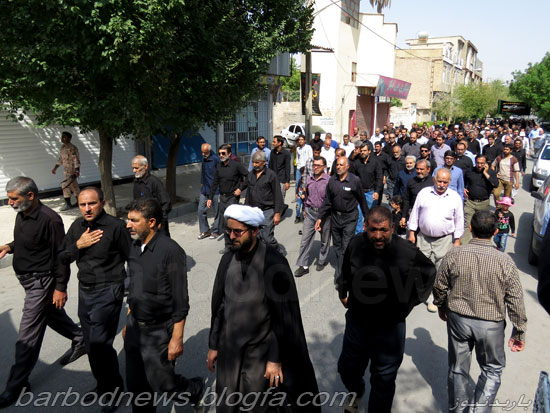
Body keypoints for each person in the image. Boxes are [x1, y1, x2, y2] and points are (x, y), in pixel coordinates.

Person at [208, 204, 320, 412]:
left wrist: (275, 359)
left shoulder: (273, 262)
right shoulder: (227, 259)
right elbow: (220, 306)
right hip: (229, 352)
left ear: (254, 231)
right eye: (229, 231)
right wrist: (214, 345)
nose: (231, 236)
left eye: (237, 232)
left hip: (258, 356)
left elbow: (283, 319)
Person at [337, 206, 436, 413]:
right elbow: (345, 269)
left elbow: (428, 273)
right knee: (347, 369)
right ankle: (357, 391)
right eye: (373, 229)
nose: (378, 235)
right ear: (365, 226)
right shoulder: (356, 244)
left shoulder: (406, 251)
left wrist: (407, 304)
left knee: (383, 379)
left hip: (390, 329)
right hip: (358, 322)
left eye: (383, 230)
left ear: (392, 228)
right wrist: (343, 292)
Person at [0, 177, 85, 409]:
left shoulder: (51, 219)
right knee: (50, 315)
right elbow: (28, 241)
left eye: (13, 198)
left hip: (42, 282)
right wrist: (9, 246)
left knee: (26, 337)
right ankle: (81, 339)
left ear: (30, 195)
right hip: (28, 281)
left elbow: (61, 255)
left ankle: (16, 385)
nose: (10, 202)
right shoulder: (22, 212)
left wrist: (60, 287)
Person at [433, 210, 527, 413]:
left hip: (458, 319)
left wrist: (441, 306)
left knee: (458, 368)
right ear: (495, 232)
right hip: (491, 325)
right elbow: (515, 299)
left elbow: (439, 286)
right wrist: (519, 331)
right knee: (492, 370)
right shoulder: (505, 262)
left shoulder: (454, 254)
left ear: (471, 228)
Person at [124, 199, 204, 412]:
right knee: (136, 386)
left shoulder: (171, 251)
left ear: (151, 222)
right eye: (128, 219)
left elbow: (180, 299)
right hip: (134, 326)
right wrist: (129, 318)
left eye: (134, 220)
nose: (128, 225)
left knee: (164, 385)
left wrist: (177, 338)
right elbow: (134, 286)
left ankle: (194, 389)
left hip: (158, 330)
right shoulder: (134, 246)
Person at [59, 187, 131, 406]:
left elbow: (134, 260)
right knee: (90, 345)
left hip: (109, 290)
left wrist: (133, 297)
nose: (87, 209)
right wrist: (78, 245)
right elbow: (62, 256)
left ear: (102, 203)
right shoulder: (77, 227)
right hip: (85, 290)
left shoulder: (116, 227)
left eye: (92, 203)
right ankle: (103, 385)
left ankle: (115, 390)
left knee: (101, 344)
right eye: (82, 204)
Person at [407, 168, 464, 313]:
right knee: (421, 266)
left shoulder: (455, 197)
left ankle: (434, 297)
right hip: (423, 238)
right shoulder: (424, 193)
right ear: (434, 179)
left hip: (444, 240)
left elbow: (459, 219)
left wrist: (457, 239)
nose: (442, 185)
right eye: (439, 181)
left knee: (440, 269)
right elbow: (415, 212)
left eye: (445, 182)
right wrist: (412, 232)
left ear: (449, 182)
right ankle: (420, 292)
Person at [315, 157, 368, 284]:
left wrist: (367, 218)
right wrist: (319, 217)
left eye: (341, 165)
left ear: (347, 167)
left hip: (350, 218)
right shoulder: (332, 180)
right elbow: (327, 201)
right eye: (337, 164)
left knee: (345, 246)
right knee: (337, 246)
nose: (338, 167)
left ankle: (341, 276)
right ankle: (344, 265)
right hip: (335, 218)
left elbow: (362, 200)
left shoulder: (355, 181)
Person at [208, 144, 249, 254]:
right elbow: (215, 183)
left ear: (229, 154)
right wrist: (210, 198)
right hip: (223, 197)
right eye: (219, 153)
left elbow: (248, 176)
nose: (221, 155)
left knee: (231, 221)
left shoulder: (236, 166)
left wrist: (240, 189)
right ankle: (228, 246)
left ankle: (238, 243)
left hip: (232, 197)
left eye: (223, 153)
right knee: (225, 223)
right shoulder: (219, 166)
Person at [295, 156, 331, 277]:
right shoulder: (309, 179)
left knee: (325, 239)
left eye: (318, 165)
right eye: (314, 165)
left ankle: (321, 260)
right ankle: (303, 265)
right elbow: (306, 194)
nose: (315, 167)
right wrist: (305, 208)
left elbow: (330, 199)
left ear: (324, 167)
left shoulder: (329, 181)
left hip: (325, 214)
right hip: (310, 213)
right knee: (305, 239)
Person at [243, 151, 284, 253]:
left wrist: (277, 213)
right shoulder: (251, 175)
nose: (254, 165)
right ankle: (260, 255)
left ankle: (277, 252)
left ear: (264, 162)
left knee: (267, 237)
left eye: (257, 162)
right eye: (253, 162)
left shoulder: (271, 175)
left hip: (267, 211)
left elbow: (277, 195)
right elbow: (248, 194)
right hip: (254, 211)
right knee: (255, 236)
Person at [461, 155, 499, 244]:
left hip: (483, 203)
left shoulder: (491, 172)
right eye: (478, 163)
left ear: (485, 163)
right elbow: (463, 182)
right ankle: (464, 245)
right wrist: (463, 188)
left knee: (482, 224)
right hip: (470, 202)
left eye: (482, 163)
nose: (479, 165)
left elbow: (495, 184)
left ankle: (481, 243)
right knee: (467, 224)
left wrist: (485, 173)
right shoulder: (469, 171)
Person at [132, 155, 172, 237]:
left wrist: (160, 221)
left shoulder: (155, 182)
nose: (134, 171)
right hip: (144, 224)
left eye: (136, 168)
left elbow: (166, 203)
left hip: (157, 226)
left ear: (145, 167)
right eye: (133, 168)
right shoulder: (136, 182)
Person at [351, 143, 383, 233]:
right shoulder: (356, 163)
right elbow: (352, 178)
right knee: (358, 215)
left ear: (369, 151)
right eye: (361, 151)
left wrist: (377, 191)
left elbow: (379, 178)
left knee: (370, 216)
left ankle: (371, 234)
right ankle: (359, 235)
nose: (362, 152)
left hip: (370, 193)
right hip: (359, 193)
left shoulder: (375, 162)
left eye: (364, 150)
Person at [51, 131, 81, 211]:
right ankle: (79, 202)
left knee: (65, 185)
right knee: (74, 186)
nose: (62, 138)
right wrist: (55, 168)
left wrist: (77, 171)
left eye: (64, 137)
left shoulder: (72, 148)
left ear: (69, 138)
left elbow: (76, 160)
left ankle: (68, 204)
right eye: (62, 137)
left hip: (72, 171)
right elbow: (61, 159)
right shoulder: (63, 147)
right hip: (66, 171)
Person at [197, 143, 220, 240]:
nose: (203, 154)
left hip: (215, 190)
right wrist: (202, 183)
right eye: (202, 152)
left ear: (209, 151)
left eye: (205, 152)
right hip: (205, 190)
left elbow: (220, 174)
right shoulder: (204, 160)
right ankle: (205, 230)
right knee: (201, 210)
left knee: (217, 211)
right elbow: (203, 173)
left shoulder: (216, 160)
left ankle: (216, 231)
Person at [400, 159, 433, 225]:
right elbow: (407, 200)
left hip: (430, 216)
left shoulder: (433, 182)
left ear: (428, 169)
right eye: (417, 169)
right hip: (414, 215)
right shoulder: (411, 181)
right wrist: (404, 216)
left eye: (421, 169)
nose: (419, 171)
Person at [295, 134, 313, 223]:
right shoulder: (298, 148)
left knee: (306, 184)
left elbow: (311, 158)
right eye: (299, 140)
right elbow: (297, 158)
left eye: (302, 139)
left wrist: (308, 169)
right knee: (298, 183)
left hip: (306, 168)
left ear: (305, 140)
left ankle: (306, 197)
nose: (300, 141)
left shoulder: (308, 147)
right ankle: (298, 196)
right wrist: (298, 166)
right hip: (299, 168)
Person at [269, 135, 291, 205]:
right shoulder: (272, 152)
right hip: (273, 179)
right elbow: (270, 166)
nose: (272, 143)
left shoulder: (286, 153)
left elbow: (288, 168)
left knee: (280, 198)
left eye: (274, 142)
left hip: (282, 180)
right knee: (272, 198)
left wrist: (287, 181)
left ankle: (280, 211)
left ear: (279, 143)